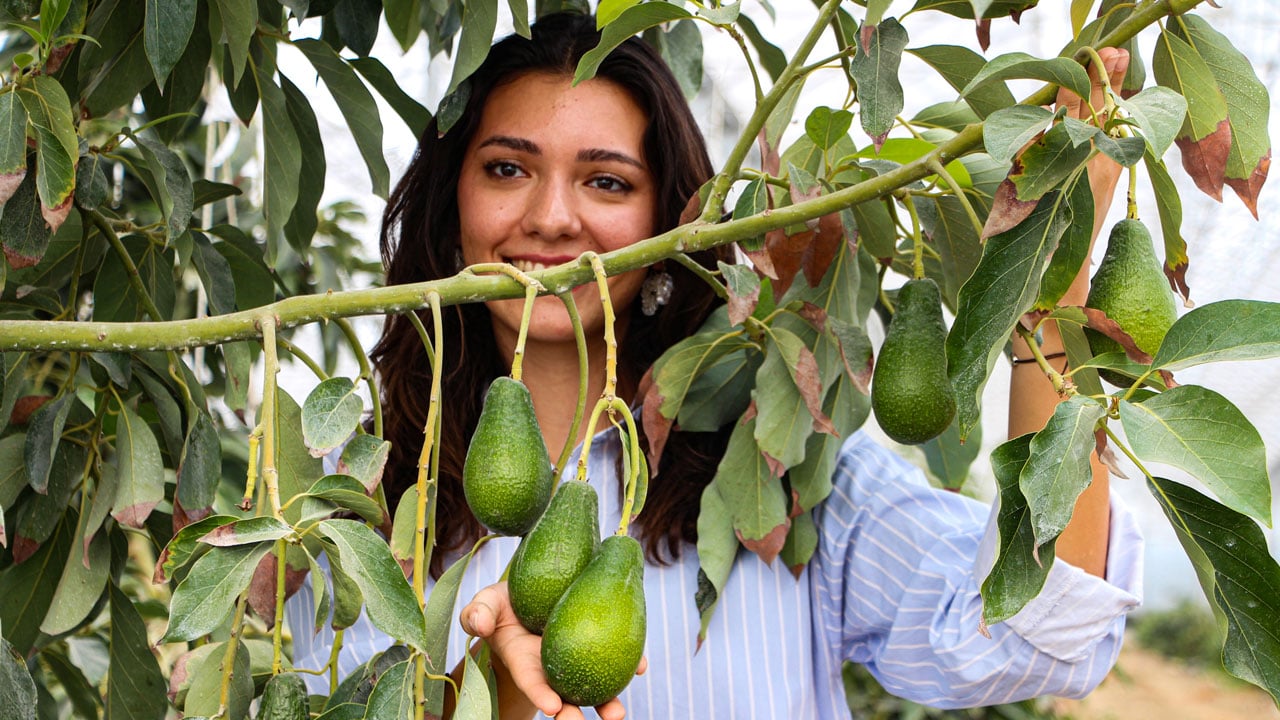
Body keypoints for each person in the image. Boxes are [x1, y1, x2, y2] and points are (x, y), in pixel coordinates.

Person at [285, 12, 1143, 720]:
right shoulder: (335, 505)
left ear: (673, 226)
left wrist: (1047, 281)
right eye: (507, 168)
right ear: (449, 204)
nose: (551, 219)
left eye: (608, 183)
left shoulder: (787, 473)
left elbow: (1035, 629)